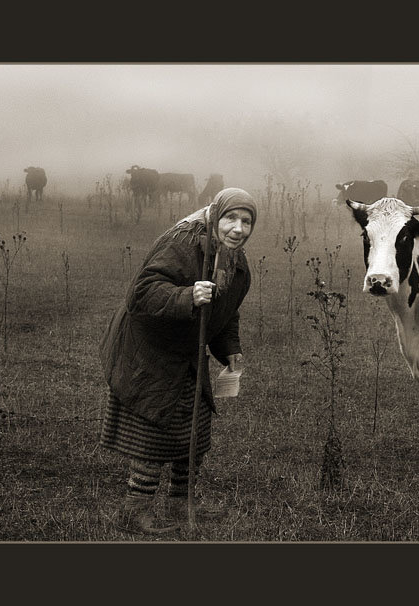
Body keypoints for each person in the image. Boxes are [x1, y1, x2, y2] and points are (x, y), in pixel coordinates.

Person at [99, 187, 257, 535]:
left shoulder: (236, 261)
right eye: (231, 218)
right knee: (155, 432)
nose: (238, 228)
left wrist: (229, 348)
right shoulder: (182, 243)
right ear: (216, 216)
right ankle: (133, 510)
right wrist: (187, 295)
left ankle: (179, 505)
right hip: (148, 350)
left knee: (195, 431)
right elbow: (142, 292)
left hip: (186, 351)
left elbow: (227, 311)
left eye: (246, 222)